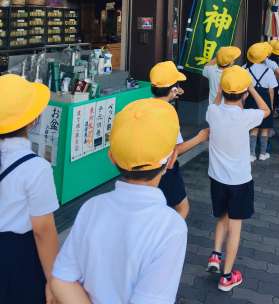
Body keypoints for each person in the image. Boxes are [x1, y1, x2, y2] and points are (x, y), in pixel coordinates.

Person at [51, 98, 187, 304]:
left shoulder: (91, 207)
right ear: (171, 160)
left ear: (111, 157)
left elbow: (62, 279)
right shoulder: (171, 226)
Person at [205, 66, 270, 291]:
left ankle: (215, 255)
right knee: (235, 227)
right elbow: (266, 110)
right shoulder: (246, 117)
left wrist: (222, 90)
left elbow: (215, 103)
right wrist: (250, 87)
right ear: (243, 94)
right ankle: (226, 277)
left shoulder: (212, 112)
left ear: (222, 90)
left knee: (221, 217)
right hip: (239, 181)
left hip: (217, 179)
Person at [0, 74, 59, 304]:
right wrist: (53, 281)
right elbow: (43, 230)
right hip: (16, 258)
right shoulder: (36, 168)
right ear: (32, 120)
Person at [150, 60, 208, 219]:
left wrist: (171, 92)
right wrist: (200, 138)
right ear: (173, 89)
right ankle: (168, 233)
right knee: (182, 208)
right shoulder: (169, 112)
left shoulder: (145, 105)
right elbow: (177, 150)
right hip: (165, 169)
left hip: (144, 169)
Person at [244, 42, 278, 162]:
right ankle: (263, 153)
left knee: (253, 127)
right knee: (265, 128)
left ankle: (251, 154)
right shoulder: (269, 71)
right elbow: (271, 91)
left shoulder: (246, 70)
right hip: (265, 100)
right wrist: (271, 105)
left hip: (251, 99)